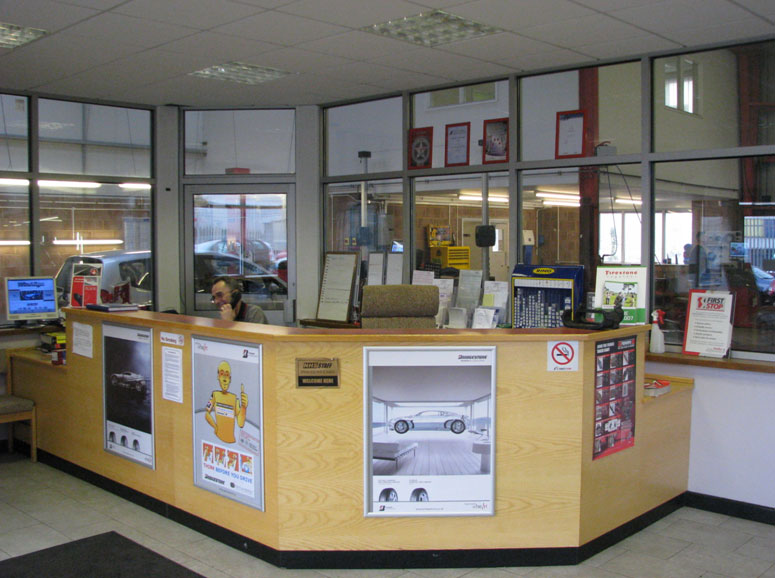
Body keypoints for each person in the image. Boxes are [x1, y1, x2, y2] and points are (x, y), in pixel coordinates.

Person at [204, 360, 247, 444]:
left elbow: (240, 423)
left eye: (227, 375)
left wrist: (244, 407)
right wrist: (215, 427)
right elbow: (206, 413)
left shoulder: (234, 398)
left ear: (230, 379)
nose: (224, 379)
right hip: (217, 438)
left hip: (231, 441)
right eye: (222, 374)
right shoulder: (214, 395)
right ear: (218, 377)